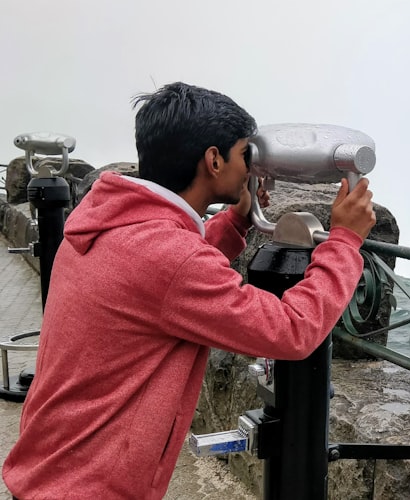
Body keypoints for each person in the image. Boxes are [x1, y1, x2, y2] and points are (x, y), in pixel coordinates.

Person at [2, 82, 376, 499]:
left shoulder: (103, 221)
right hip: (91, 486)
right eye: (244, 154)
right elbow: (292, 330)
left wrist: (236, 221)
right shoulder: (169, 258)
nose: (252, 169)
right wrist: (344, 241)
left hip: (50, 468)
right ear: (214, 160)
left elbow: (159, 280)